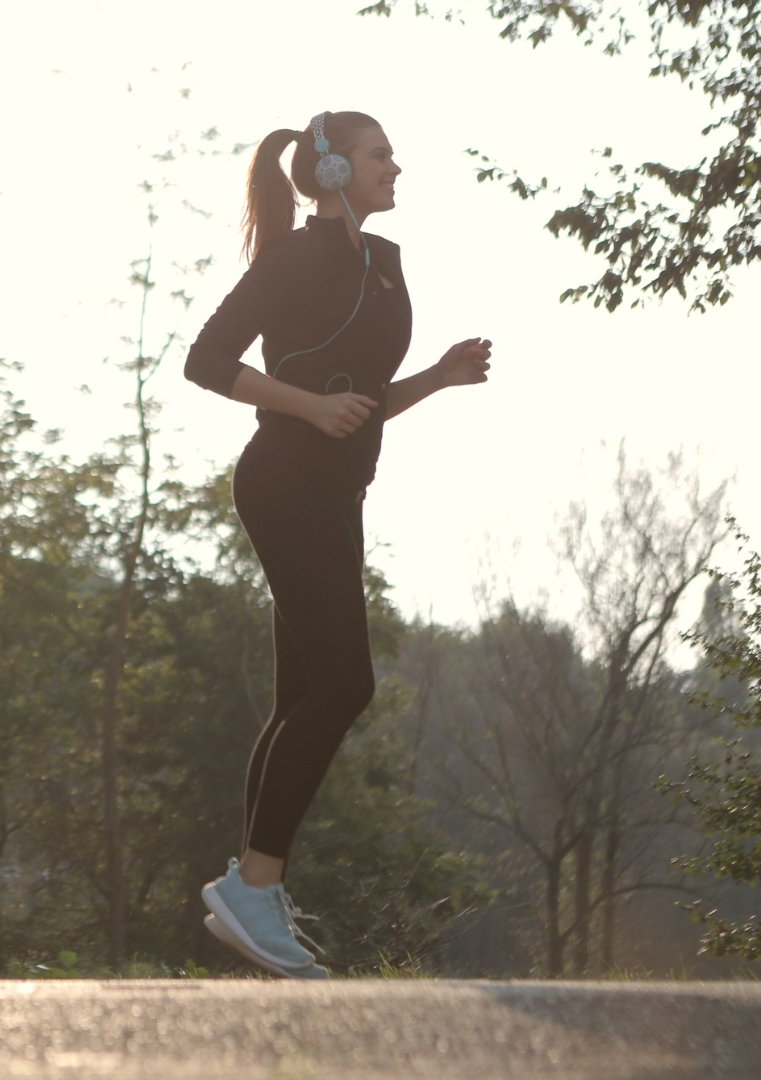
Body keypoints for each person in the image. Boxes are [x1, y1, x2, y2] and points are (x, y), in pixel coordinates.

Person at [182, 111, 492, 979]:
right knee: (346, 683)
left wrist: (436, 377)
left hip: (336, 491)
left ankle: (254, 892)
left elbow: (360, 399)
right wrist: (307, 407)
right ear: (332, 168)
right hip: (283, 481)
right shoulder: (288, 261)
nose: (397, 166)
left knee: (302, 696)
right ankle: (253, 885)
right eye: (380, 155)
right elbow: (206, 361)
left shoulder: (384, 265)